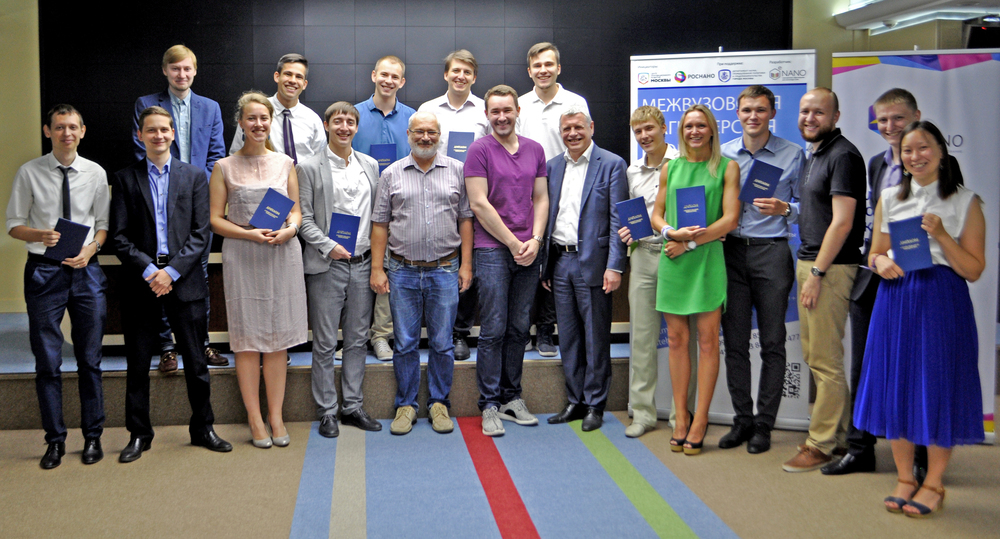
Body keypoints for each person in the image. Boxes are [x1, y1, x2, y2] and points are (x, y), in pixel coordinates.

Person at [825, 88, 961, 477]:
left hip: (921, 285)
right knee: (864, 367)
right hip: (874, 280)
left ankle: (921, 459)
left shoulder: (941, 168)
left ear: (916, 116)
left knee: (919, 369)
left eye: (898, 118)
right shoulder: (875, 164)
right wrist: (877, 258)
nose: (889, 126)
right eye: (882, 120)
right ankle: (860, 448)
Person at [854, 121, 985, 517]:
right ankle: (905, 478)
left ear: (941, 152)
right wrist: (879, 263)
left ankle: (934, 483)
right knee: (897, 384)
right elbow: (875, 253)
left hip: (941, 300)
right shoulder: (889, 197)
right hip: (895, 299)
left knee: (937, 385)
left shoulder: (965, 201)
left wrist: (942, 235)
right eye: (908, 150)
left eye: (924, 148)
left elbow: (973, 269)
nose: (915, 156)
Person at [111, 106, 232, 462]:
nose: (158, 135)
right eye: (151, 130)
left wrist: (173, 271)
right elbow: (119, 237)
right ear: (140, 135)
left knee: (196, 361)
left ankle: (203, 428)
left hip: (185, 280)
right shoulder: (125, 178)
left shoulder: (193, 176)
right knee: (137, 365)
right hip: (143, 282)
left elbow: (201, 232)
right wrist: (152, 271)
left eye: (164, 129)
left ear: (173, 134)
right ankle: (139, 434)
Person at [6, 104, 109, 469]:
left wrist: (91, 249)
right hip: (44, 271)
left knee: (90, 359)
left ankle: (93, 436)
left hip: (86, 270)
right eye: (60, 127)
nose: (67, 133)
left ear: (82, 131)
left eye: (73, 127)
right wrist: (40, 235)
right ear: (47, 131)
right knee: (48, 361)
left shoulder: (95, 173)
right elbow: (14, 225)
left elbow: (102, 225)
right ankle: (55, 441)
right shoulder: (29, 172)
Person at [209, 92, 307, 448]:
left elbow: (296, 211)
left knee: (278, 339)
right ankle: (254, 417)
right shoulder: (224, 167)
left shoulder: (285, 163)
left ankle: (276, 415)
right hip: (243, 254)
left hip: (281, 252)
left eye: (264, 118)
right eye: (251, 118)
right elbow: (215, 220)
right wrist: (248, 233)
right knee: (248, 339)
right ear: (241, 122)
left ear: (270, 121)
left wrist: (290, 230)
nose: (258, 124)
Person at [370, 112, 474, 435]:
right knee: (404, 343)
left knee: (442, 342)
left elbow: (466, 220)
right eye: (419, 132)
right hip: (402, 271)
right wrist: (377, 268)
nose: (425, 137)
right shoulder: (391, 174)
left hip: (445, 269)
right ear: (409, 134)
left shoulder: (457, 171)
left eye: (431, 132)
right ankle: (406, 404)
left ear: (440, 135)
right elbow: (380, 224)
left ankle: (439, 403)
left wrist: (466, 264)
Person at [782, 88, 866, 472]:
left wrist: (817, 273)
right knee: (817, 355)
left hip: (829, 268)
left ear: (835, 117)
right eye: (805, 111)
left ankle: (821, 444)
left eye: (819, 112)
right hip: (812, 262)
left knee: (825, 359)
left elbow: (843, 223)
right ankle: (839, 435)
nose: (809, 118)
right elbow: (818, 211)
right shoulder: (816, 154)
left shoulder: (843, 155)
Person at [718, 85, 805, 454]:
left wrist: (786, 209)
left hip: (772, 252)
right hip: (731, 253)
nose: (753, 116)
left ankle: (764, 423)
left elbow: (810, 206)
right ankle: (742, 419)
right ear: (737, 114)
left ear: (772, 113)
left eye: (761, 109)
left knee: (772, 342)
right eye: (747, 110)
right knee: (735, 342)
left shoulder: (793, 154)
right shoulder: (723, 153)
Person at [650, 104, 740, 455]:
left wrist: (688, 243)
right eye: (688, 126)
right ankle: (681, 417)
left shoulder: (727, 167)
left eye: (701, 125)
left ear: (712, 129)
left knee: (707, 342)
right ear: (681, 131)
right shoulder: (670, 168)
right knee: (676, 340)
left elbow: (730, 220)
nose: (694, 131)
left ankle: (701, 419)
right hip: (673, 258)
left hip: (704, 259)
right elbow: (657, 215)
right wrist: (671, 233)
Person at [132, 44, 227, 371]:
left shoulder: (210, 107)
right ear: (165, 71)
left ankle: (201, 343)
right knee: (161, 272)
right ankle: (167, 347)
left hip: (198, 201)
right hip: (158, 200)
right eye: (175, 68)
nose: (181, 74)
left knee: (198, 274)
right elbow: (141, 150)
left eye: (187, 68)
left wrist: (194, 188)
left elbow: (216, 156)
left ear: (195, 71)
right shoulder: (146, 104)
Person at [465, 85, 548, 436]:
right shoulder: (479, 150)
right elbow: (478, 203)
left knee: (518, 328)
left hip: (528, 249)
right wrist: (514, 243)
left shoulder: (535, 149)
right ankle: (489, 404)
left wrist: (535, 240)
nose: (501, 117)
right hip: (493, 250)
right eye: (495, 111)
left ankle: (512, 397)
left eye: (507, 110)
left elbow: (541, 198)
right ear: (487, 115)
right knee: (494, 329)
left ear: (517, 112)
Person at [298, 101, 383, 438]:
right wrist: (327, 245)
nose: (344, 127)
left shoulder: (370, 165)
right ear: (326, 125)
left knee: (358, 340)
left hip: (362, 263)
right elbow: (304, 219)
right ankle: (327, 411)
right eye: (338, 121)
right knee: (324, 342)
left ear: (357, 128)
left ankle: (352, 406)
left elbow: (378, 216)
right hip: (327, 264)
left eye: (350, 122)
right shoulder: (309, 167)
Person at [542, 107, 628, 432]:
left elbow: (618, 219)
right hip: (560, 261)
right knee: (569, 337)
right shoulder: (552, 166)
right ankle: (575, 400)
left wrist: (615, 265)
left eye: (578, 127)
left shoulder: (612, 164)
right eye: (567, 129)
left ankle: (595, 404)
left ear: (591, 127)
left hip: (594, 262)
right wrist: (546, 266)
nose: (573, 133)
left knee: (595, 337)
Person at [616, 106, 688, 438]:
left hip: (679, 257)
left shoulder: (684, 164)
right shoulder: (632, 172)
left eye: (649, 129)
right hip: (643, 257)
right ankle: (643, 413)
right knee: (642, 339)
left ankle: (680, 415)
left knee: (680, 339)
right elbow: (631, 218)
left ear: (663, 128)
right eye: (638, 131)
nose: (644, 136)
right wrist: (627, 232)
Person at [517, 42, 591, 356]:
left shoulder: (575, 102)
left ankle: (546, 330)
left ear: (558, 68)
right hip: (526, 191)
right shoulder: (521, 104)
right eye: (537, 65)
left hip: (565, 187)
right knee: (527, 258)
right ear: (529, 71)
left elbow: (585, 143)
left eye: (549, 64)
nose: (543, 70)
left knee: (553, 257)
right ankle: (521, 329)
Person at [418, 49, 490, 361]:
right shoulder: (429, 109)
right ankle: (439, 331)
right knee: (439, 261)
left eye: (467, 72)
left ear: (474, 77)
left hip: (475, 196)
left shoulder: (484, 111)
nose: (461, 76)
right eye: (456, 71)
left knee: (468, 262)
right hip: (436, 196)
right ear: (446, 74)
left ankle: (460, 332)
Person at [354, 55, 416, 361]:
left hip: (398, 207)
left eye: (395, 77)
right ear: (373, 75)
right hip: (357, 205)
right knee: (356, 269)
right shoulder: (354, 114)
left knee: (388, 270)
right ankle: (353, 337)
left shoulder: (413, 118)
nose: (388, 81)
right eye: (384, 74)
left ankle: (381, 336)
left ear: (401, 82)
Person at [230, 53, 326, 164]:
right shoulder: (255, 113)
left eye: (298, 77)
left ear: (304, 84)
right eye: (288, 74)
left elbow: (320, 162)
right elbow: (236, 155)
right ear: (277, 76)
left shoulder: (313, 120)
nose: (293, 80)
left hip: (302, 176)